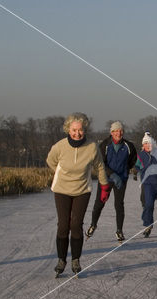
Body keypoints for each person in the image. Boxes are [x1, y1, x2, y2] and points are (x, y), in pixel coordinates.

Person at [46, 112, 110, 277]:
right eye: (74, 130)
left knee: (76, 225)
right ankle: (61, 260)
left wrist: (104, 187)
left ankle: (75, 259)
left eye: (80, 130)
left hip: (82, 190)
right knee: (63, 225)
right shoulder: (59, 146)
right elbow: (50, 161)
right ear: (68, 129)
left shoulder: (91, 147)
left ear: (84, 129)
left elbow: (100, 166)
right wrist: (62, 174)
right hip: (61, 189)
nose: (77, 133)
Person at [85, 121, 137, 242]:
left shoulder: (129, 146)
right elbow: (100, 164)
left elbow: (133, 159)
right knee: (99, 203)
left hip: (121, 180)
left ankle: (119, 231)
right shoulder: (105, 145)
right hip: (106, 180)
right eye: (116, 131)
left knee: (119, 205)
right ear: (111, 132)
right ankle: (93, 225)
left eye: (120, 130)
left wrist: (125, 171)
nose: (118, 133)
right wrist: (112, 175)